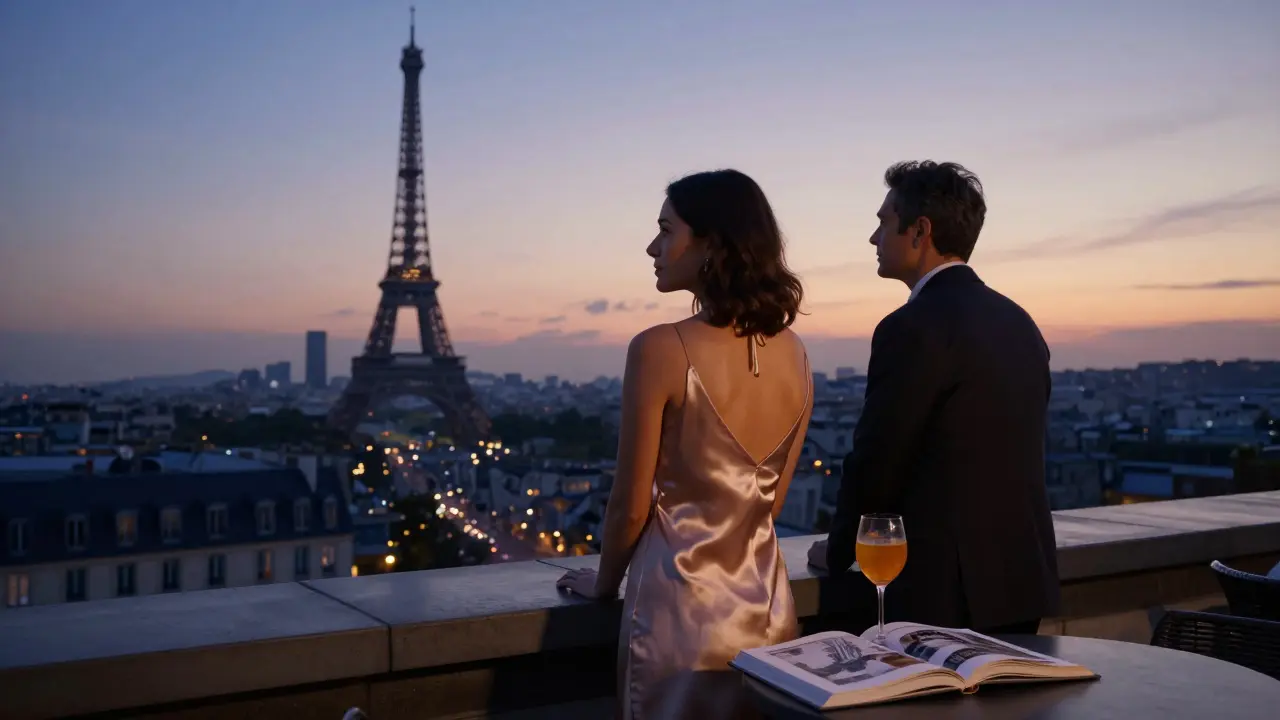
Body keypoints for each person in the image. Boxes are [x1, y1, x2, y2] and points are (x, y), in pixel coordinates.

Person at [555, 169, 814, 719]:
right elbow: (768, 508)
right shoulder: (798, 355)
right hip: (770, 610)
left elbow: (629, 507)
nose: (652, 246)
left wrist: (604, 585)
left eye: (666, 230)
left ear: (712, 246)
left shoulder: (659, 349)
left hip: (676, 615)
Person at [807, 161, 1059, 635]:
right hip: (1020, 579)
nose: (873, 238)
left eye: (883, 221)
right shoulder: (1020, 323)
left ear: (920, 231)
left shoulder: (912, 327)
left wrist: (840, 550)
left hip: (942, 589)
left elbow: (877, 459)